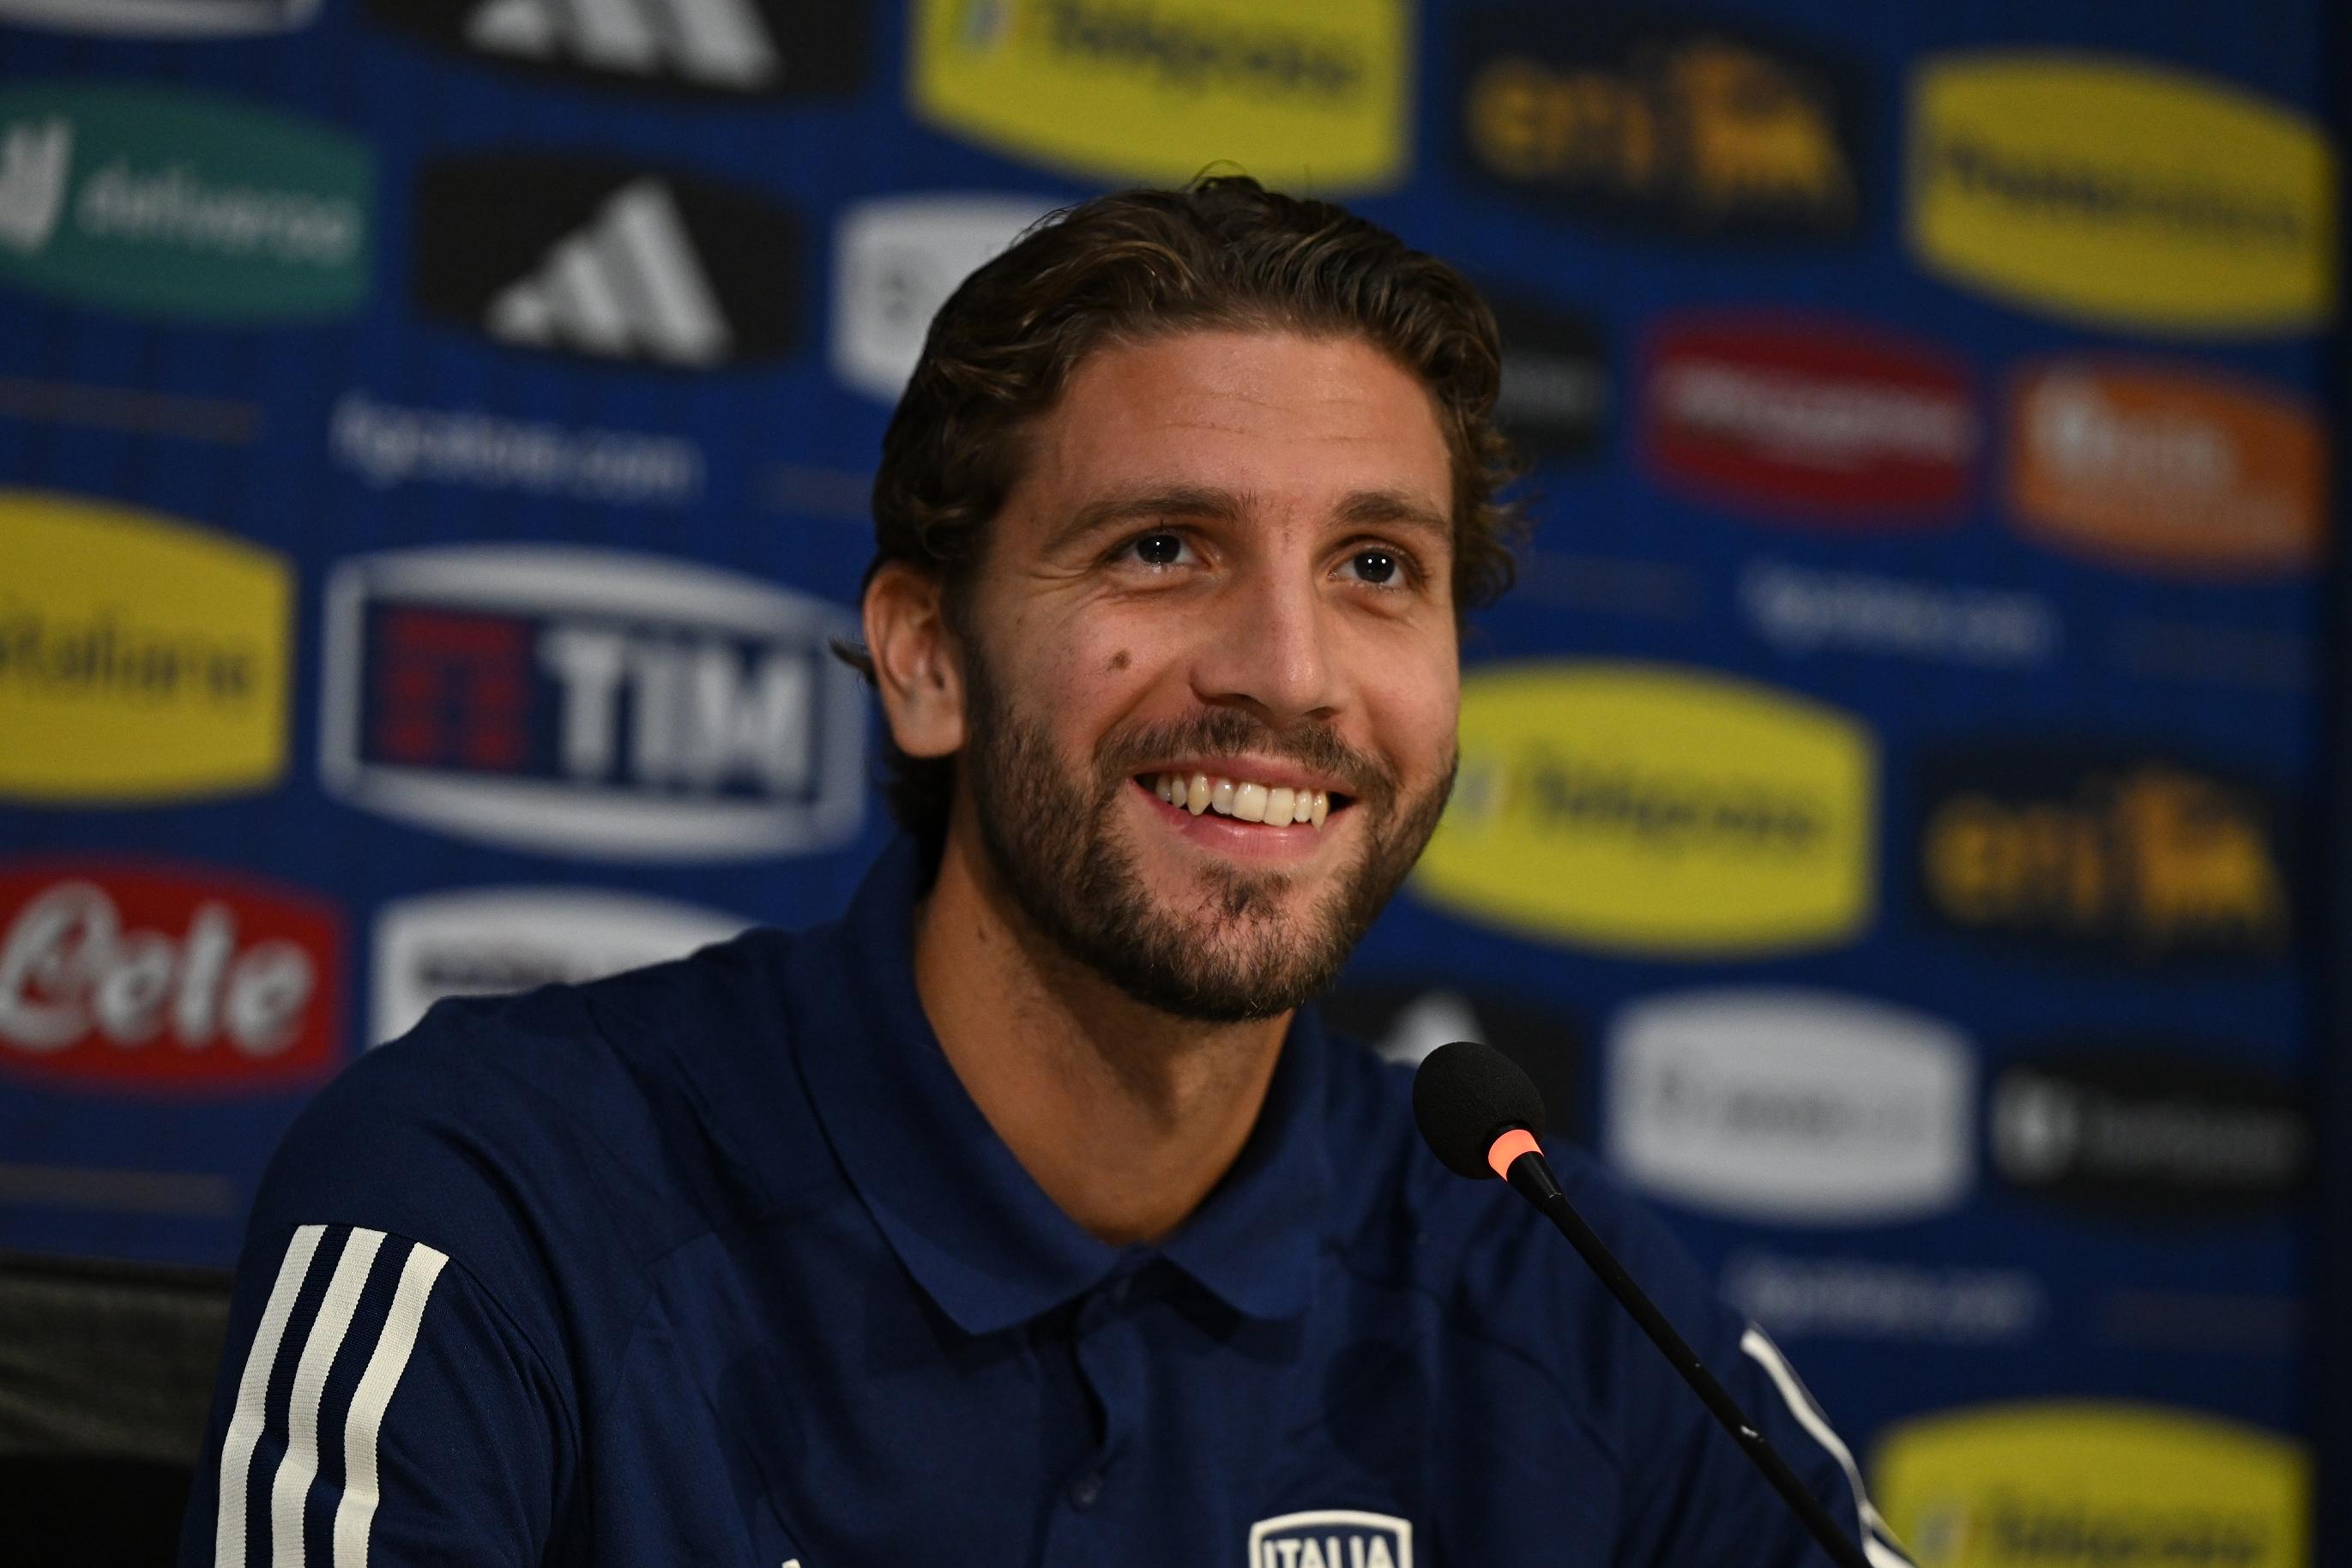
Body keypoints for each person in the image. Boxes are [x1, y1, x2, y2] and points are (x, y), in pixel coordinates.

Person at [180, 177, 1909, 1568]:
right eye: (1164, 547)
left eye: (1379, 566)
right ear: (928, 657)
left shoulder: (1556, 1287)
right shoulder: (497, 1193)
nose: (1291, 670)